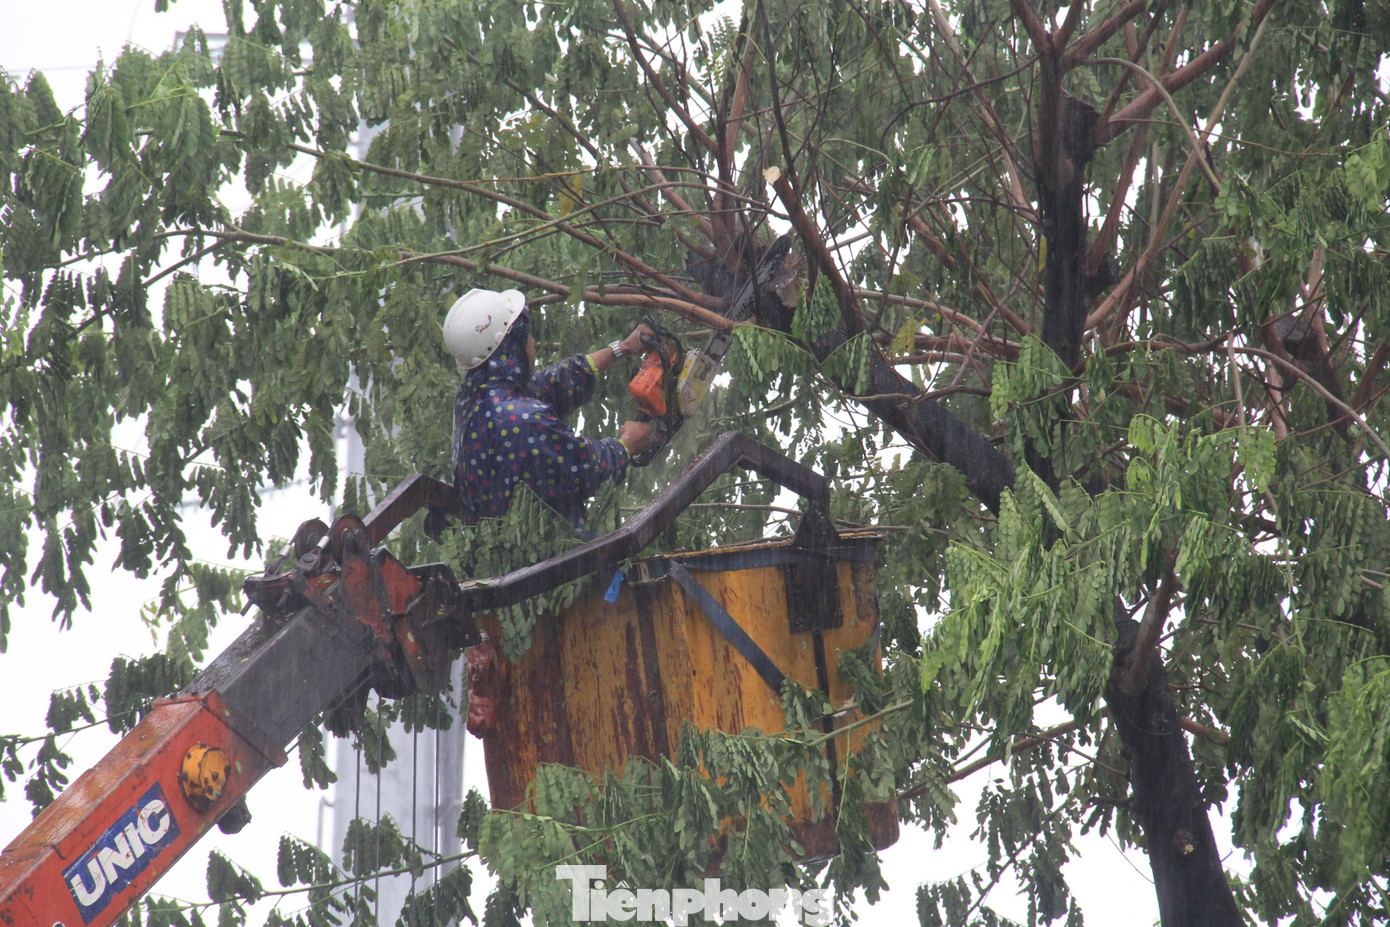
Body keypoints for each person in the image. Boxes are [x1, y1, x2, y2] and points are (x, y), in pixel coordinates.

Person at [443, 288, 654, 528]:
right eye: (527, 336)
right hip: (547, 548)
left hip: (495, 542)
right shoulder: (523, 422)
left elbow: (553, 384)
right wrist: (627, 444)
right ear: (512, 345)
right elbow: (585, 468)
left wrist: (622, 348)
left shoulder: (474, 399)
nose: (533, 342)